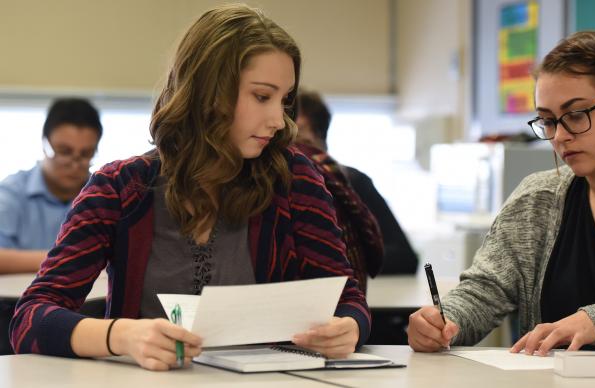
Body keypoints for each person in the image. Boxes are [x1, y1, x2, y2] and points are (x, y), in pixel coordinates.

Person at [10, 4, 370, 371]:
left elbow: (348, 301)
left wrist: (348, 327)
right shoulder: (119, 188)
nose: (279, 120)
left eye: (284, 100)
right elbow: (30, 318)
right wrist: (122, 336)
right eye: (262, 96)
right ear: (209, 92)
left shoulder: (294, 180)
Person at [407, 30, 595, 355]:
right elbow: (485, 291)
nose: (561, 136)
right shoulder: (537, 198)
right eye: (548, 121)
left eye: (577, 115)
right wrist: (442, 322)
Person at [295, 91, 419, 275]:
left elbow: (404, 257)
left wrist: (335, 258)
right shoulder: (264, 188)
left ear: (319, 138)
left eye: (299, 136)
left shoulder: (352, 182)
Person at [0, 98, 102, 273]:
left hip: (91, 300)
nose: (74, 164)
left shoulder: (104, 196)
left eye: (86, 154)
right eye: (64, 151)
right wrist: (70, 258)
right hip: (17, 299)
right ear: (44, 143)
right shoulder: (12, 192)